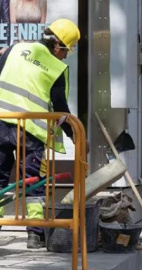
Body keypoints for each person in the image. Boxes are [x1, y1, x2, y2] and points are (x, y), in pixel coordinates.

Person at [0, 18, 85, 249]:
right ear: (57, 45)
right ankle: (34, 235)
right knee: (33, 182)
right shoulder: (57, 67)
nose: (66, 56)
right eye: (66, 50)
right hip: (31, 132)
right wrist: (76, 136)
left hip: (0, 125)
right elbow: (60, 109)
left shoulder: (15, 49)